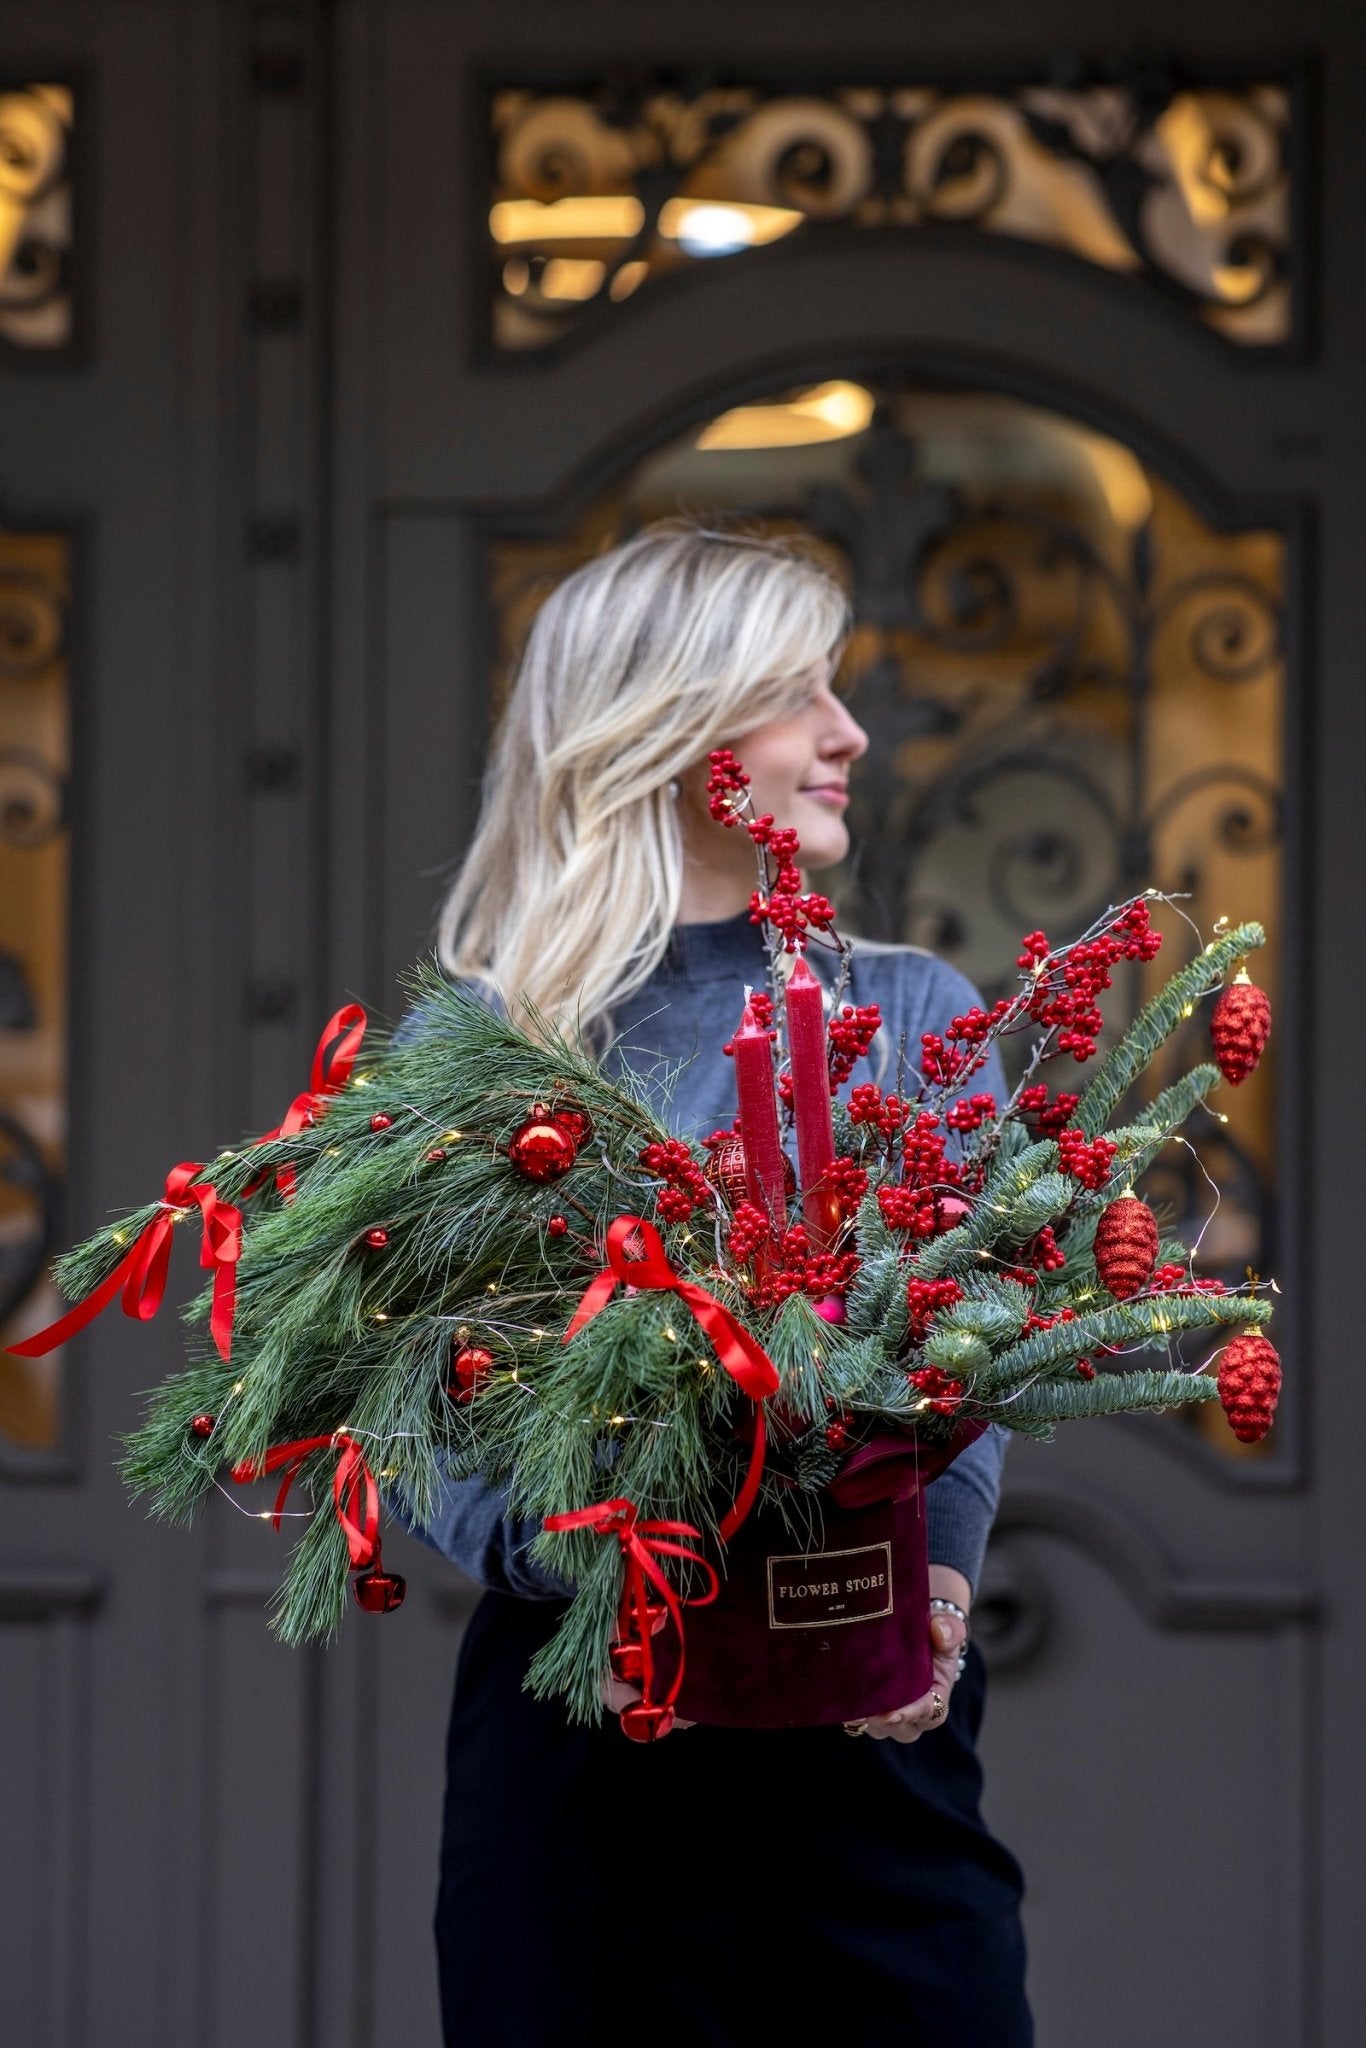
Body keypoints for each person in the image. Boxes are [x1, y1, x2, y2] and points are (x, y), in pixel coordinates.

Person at [390, 521, 1034, 2047]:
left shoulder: (907, 1012)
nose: (849, 735)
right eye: (800, 694)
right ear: (675, 731)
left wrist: (935, 1579)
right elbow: (402, 1390)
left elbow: (984, 1337)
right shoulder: (487, 1048)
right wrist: (585, 1576)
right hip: (587, 1748)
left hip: (873, 1736)